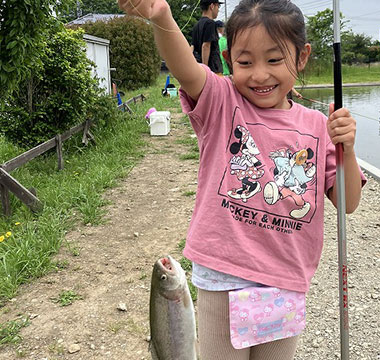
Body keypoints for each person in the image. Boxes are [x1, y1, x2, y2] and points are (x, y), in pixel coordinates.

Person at [118, 0, 365, 359]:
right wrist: (162, 16)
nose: (260, 75)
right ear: (229, 58)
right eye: (245, 62)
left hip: (286, 280)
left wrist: (348, 149)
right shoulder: (221, 100)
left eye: (275, 60)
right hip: (223, 276)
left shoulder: (317, 125)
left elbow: (349, 202)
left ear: (302, 56)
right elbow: (186, 70)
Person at [191, 0, 223, 74]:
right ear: (212, 6)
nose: (218, 10)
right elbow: (206, 45)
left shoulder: (196, 25)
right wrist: (206, 70)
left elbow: (192, 47)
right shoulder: (210, 23)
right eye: (218, 6)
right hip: (212, 68)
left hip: (198, 66)